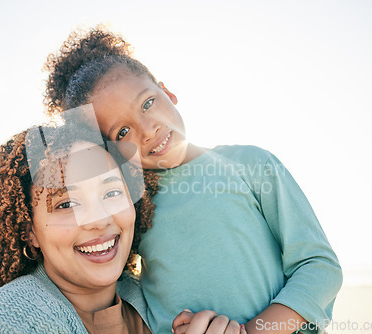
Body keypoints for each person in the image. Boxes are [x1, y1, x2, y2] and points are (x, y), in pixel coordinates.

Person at [43, 26, 344, 334]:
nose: (148, 130)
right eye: (122, 132)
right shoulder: (130, 207)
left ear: (167, 92)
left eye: (147, 103)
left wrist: (253, 331)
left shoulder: (251, 164)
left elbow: (320, 267)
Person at [0, 112, 245, 334]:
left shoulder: (153, 300)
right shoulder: (9, 319)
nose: (97, 220)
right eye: (66, 204)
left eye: (111, 193)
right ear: (30, 231)